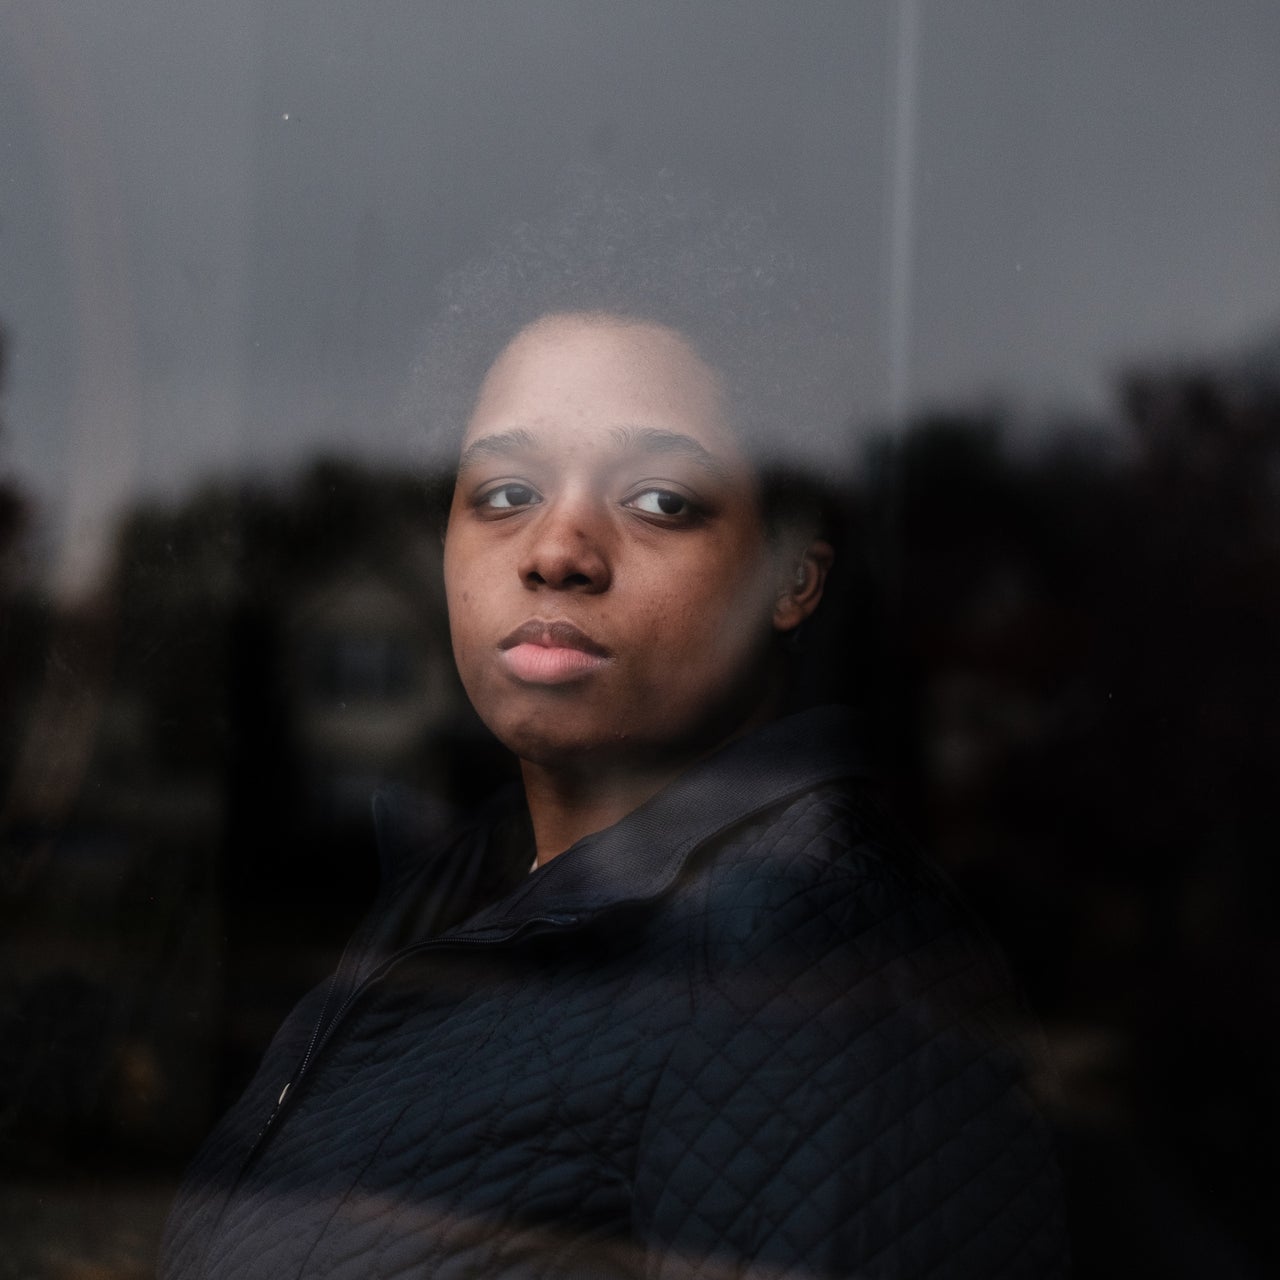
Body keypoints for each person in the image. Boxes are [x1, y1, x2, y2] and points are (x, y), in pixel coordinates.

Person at [159, 184, 1067, 1278]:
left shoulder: (805, 962)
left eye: (659, 500)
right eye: (503, 489)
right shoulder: (467, 879)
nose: (557, 549)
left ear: (791, 574)